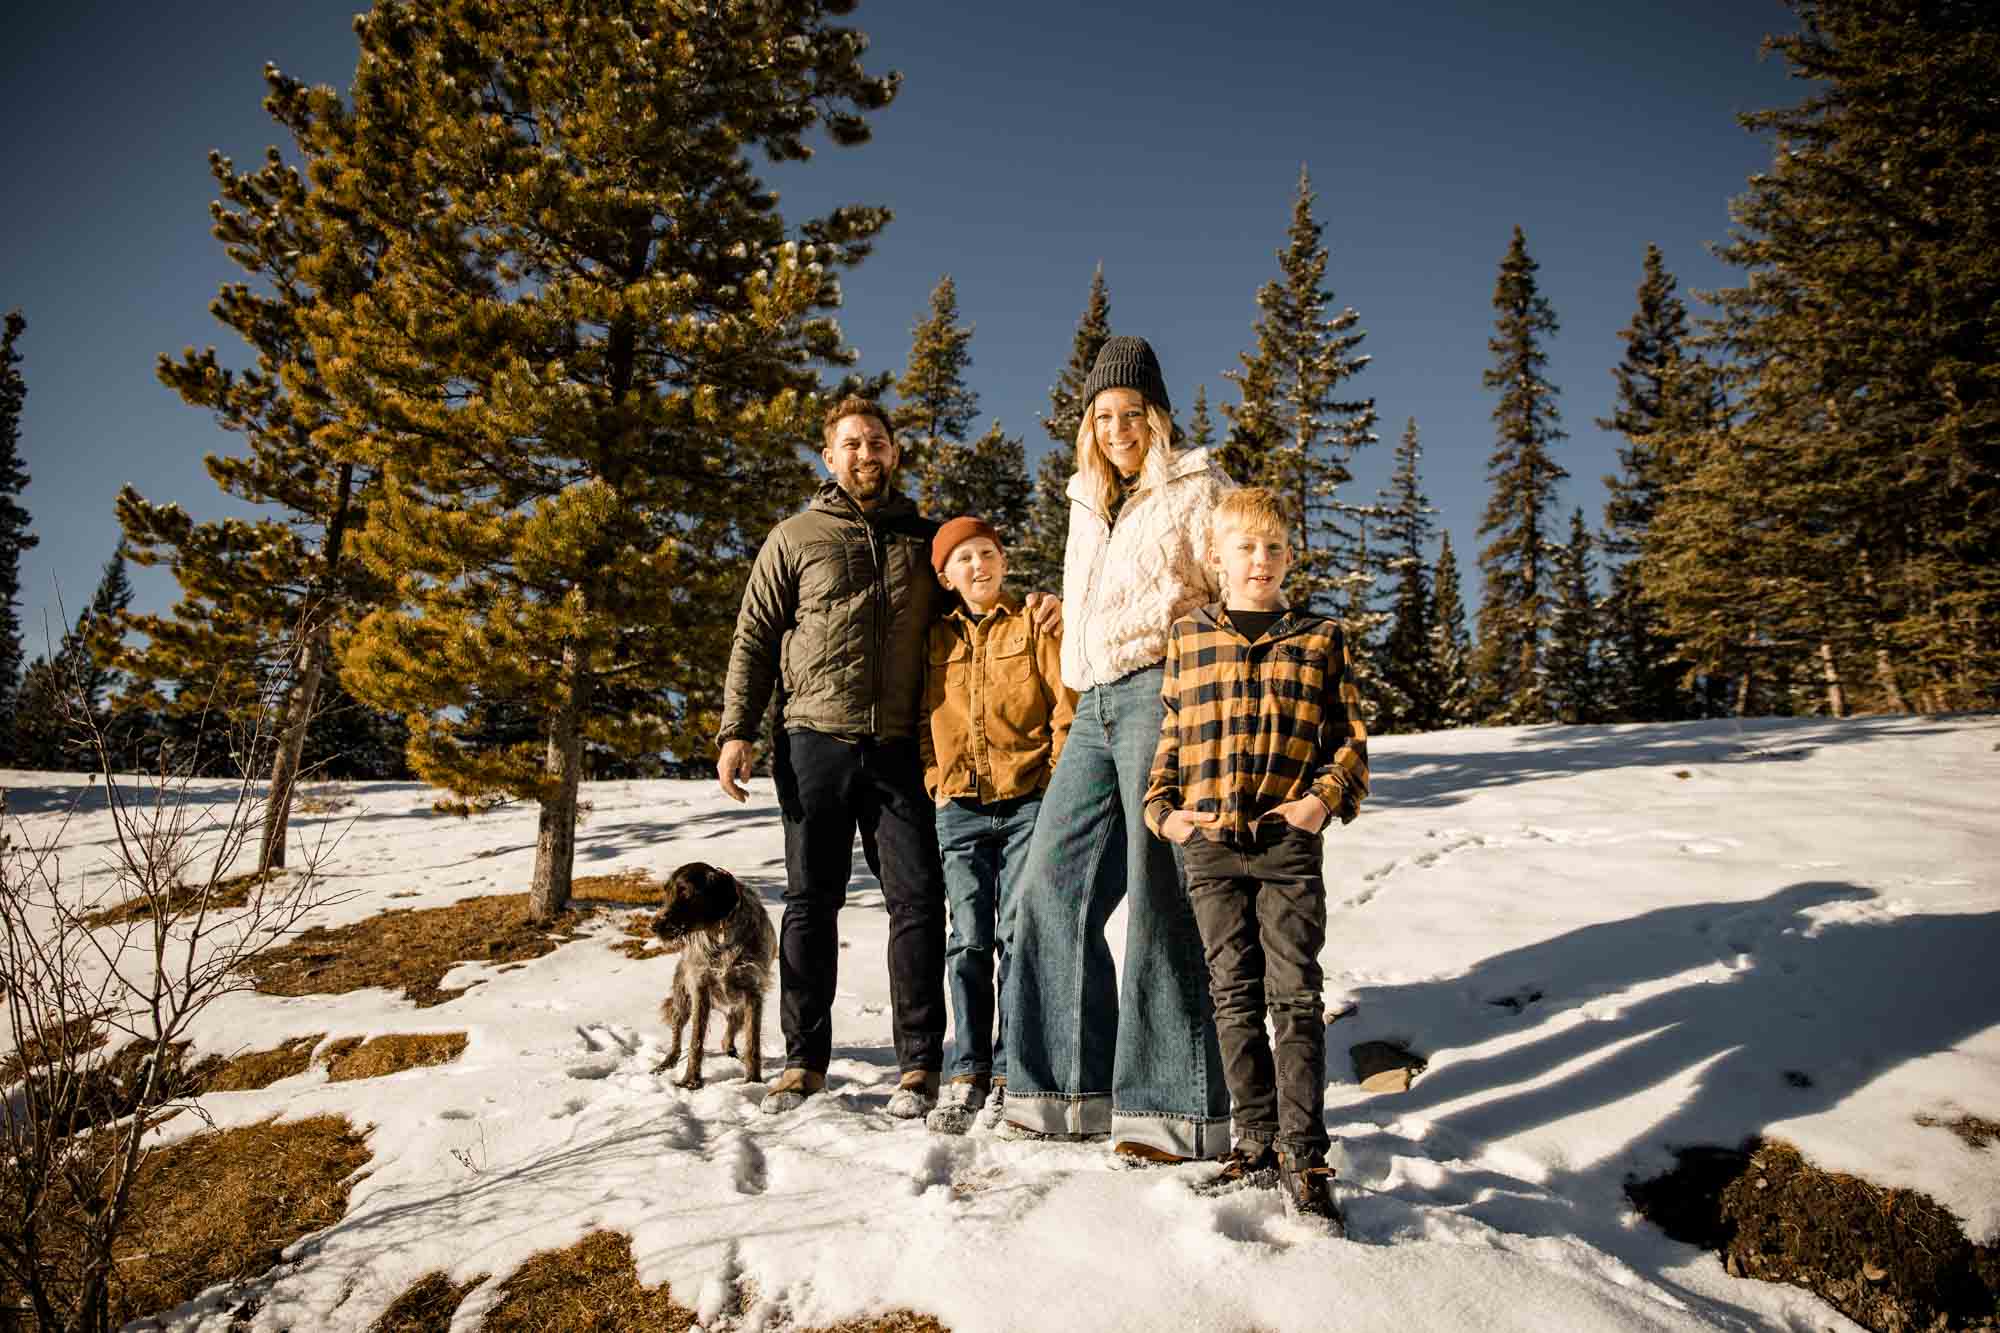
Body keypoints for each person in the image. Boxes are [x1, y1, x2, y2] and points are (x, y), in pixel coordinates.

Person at [1000, 335, 1235, 1161]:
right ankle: (1063, 1088)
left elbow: (1241, 576)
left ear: (1157, 416)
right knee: (1045, 888)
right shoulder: (1084, 498)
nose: (1116, 427)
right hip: (1092, 703)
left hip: (1161, 694)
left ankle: (1174, 1107)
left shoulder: (1199, 487)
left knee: (1157, 891)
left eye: (1131, 413)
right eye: (1102, 415)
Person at [715, 397, 947, 1119]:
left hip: (901, 747)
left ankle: (919, 1066)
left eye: (877, 441)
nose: (865, 453)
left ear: (895, 454)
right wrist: (736, 729)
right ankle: (804, 1061)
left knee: (917, 900)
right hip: (812, 739)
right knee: (812, 901)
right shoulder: (794, 537)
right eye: (851, 443)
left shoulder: (924, 540)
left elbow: (969, 611)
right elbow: (755, 636)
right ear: (829, 458)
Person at [1143, 486, 1370, 1224]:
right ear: (1217, 557)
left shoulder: (1320, 636)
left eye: (1273, 547)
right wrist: (1163, 811)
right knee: (1232, 995)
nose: (1260, 560)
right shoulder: (1189, 636)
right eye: (1244, 547)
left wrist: (1320, 801)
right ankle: (1256, 1144)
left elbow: (1349, 739)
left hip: (1284, 844)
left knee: (1295, 996)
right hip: (1210, 843)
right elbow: (1172, 734)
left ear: (1289, 555)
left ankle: (1305, 1157)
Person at [918, 516, 1076, 1134]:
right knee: (967, 939)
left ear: (1004, 561)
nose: (978, 566)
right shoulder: (935, 640)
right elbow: (923, 715)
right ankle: (967, 1072)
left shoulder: (1034, 625)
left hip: (1025, 803)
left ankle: (1012, 1073)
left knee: (1016, 934)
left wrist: (1055, 782)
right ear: (946, 577)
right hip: (958, 805)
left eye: (987, 553)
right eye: (963, 560)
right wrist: (935, 778)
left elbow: (1064, 710)